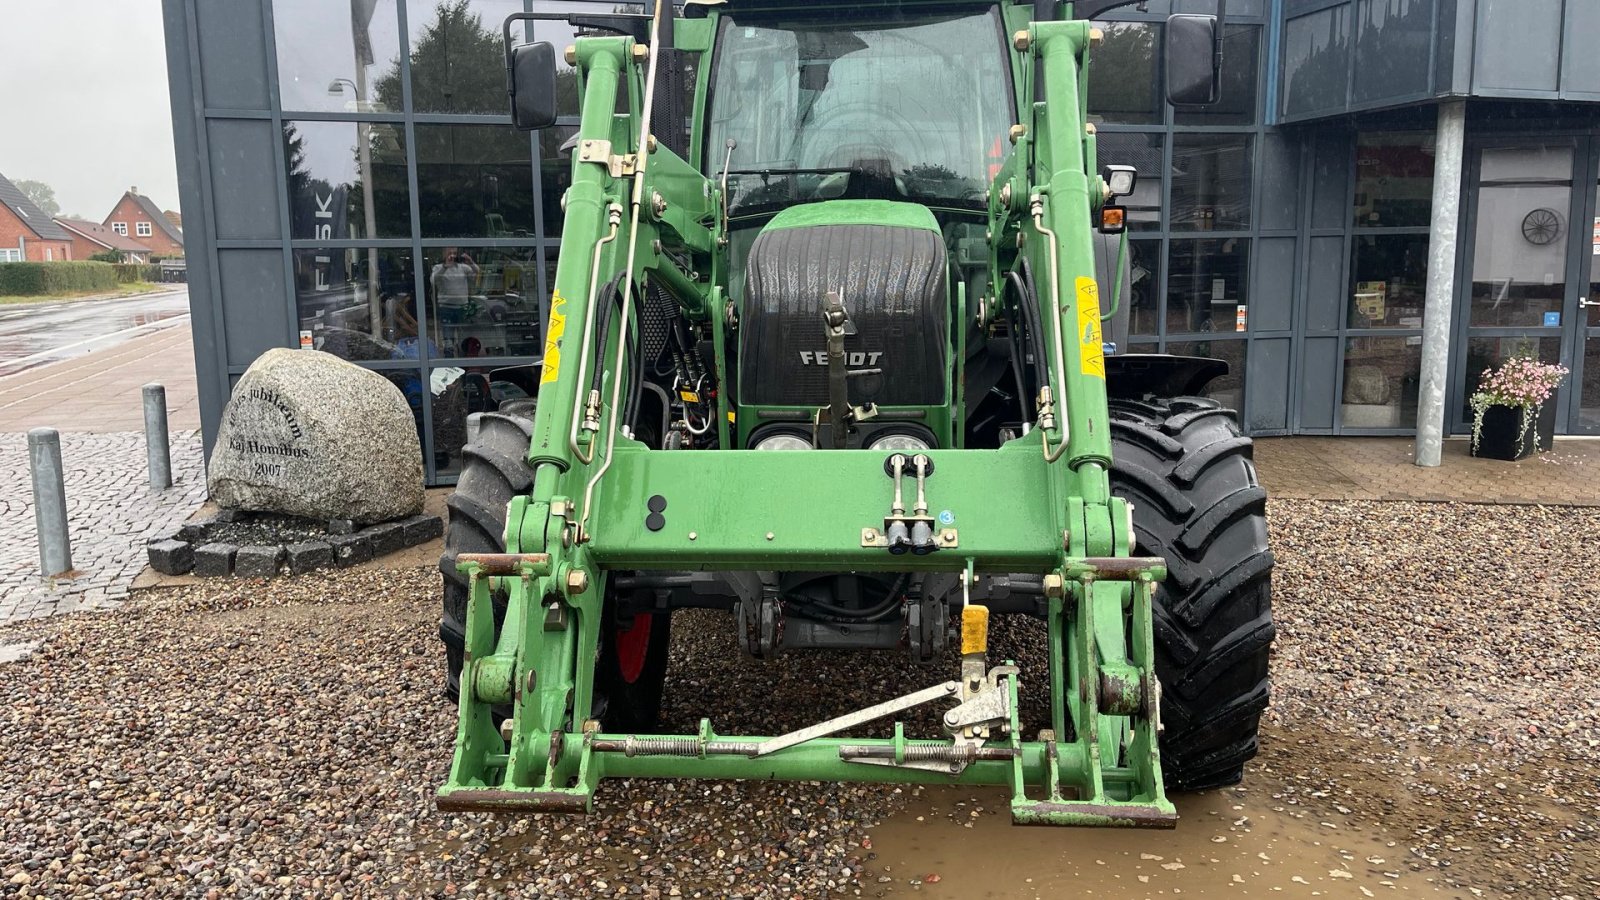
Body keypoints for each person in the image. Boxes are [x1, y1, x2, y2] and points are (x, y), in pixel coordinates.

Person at [430, 248, 479, 325]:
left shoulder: (463, 267)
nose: (452, 256)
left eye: (454, 253)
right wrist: (445, 267)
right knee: (448, 331)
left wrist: (471, 262)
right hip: (446, 307)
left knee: (462, 331)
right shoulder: (438, 267)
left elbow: (477, 273)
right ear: (444, 254)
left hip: (462, 307)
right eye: (449, 253)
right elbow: (433, 281)